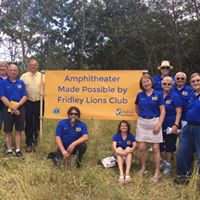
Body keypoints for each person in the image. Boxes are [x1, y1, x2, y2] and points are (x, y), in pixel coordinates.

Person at [135, 73, 166, 183]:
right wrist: (142, 117)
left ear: (151, 82)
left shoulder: (158, 94)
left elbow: (163, 110)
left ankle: (157, 171)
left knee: (155, 149)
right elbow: (137, 107)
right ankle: (143, 167)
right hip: (142, 123)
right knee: (142, 148)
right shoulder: (140, 95)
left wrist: (158, 124)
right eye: (144, 82)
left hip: (154, 122)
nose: (146, 83)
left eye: (147, 81)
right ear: (142, 84)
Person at [174, 73, 200, 185]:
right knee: (183, 152)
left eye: (198, 80)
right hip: (188, 126)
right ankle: (183, 176)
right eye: (193, 81)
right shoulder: (192, 95)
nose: (196, 82)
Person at [0, 64, 27, 158]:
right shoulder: (3, 83)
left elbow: (25, 96)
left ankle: (18, 149)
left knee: (19, 130)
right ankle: (9, 150)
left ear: (17, 71)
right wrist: (11, 107)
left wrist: (17, 106)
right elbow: (2, 97)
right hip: (7, 109)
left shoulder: (21, 82)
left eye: (15, 70)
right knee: (8, 130)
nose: (13, 72)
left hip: (20, 108)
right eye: (11, 70)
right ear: (7, 71)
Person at [20, 59, 45, 152]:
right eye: (31, 65)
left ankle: (37, 142)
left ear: (37, 66)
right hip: (28, 102)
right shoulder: (23, 76)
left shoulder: (43, 76)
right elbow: (20, 89)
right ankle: (29, 143)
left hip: (40, 102)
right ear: (28, 66)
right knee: (29, 123)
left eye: (34, 65)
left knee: (39, 123)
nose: (33, 66)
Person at [160, 77, 182, 175]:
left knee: (169, 145)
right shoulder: (158, 95)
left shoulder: (175, 96)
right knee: (160, 145)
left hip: (171, 124)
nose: (166, 86)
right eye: (164, 84)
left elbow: (179, 111)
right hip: (159, 124)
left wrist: (175, 125)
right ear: (161, 85)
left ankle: (168, 164)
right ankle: (163, 162)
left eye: (169, 84)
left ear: (172, 85)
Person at [0, 60, 8, 132]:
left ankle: (6, 141)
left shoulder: (11, 78)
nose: (2, 68)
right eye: (1, 66)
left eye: (4, 66)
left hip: (8, 104)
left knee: (7, 125)